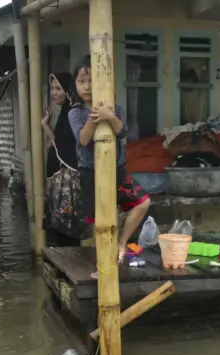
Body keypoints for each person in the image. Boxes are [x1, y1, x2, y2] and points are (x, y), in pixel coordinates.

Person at [68, 55, 150, 262]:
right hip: (91, 173)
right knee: (99, 222)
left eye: (91, 80)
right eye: (81, 81)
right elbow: (83, 139)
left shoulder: (117, 109)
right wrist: (96, 115)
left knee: (143, 202)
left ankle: (122, 242)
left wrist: (109, 115)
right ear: (75, 84)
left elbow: (123, 132)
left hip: (117, 169)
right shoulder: (75, 113)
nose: (86, 86)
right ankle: (103, 264)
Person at [43, 72, 78, 176]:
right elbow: (59, 140)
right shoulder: (65, 109)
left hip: (67, 174)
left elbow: (60, 144)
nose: (53, 92)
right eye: (52, 88)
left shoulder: (71, 112)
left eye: (58, 89)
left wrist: (45, 125)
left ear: (67, 90)